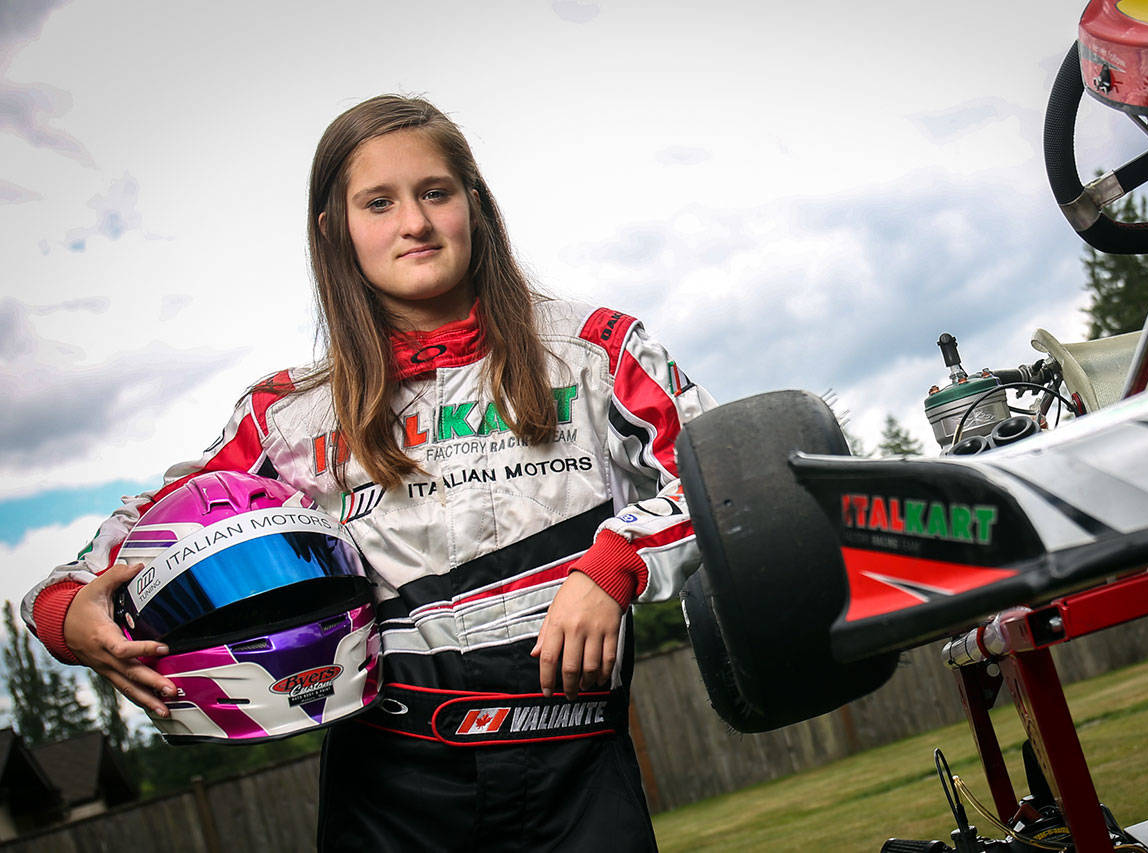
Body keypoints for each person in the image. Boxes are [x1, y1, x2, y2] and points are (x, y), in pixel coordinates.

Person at [21, 94, 714, 851]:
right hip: (388, 792)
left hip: (579, 769)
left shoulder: (594, 352)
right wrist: (63, 611)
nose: (413, 222)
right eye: (378, 202)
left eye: (435, 192)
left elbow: (722, 478)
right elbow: (135, 538)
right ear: (337, 229)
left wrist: (613, 565)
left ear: (473, 204)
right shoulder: (284, 417)